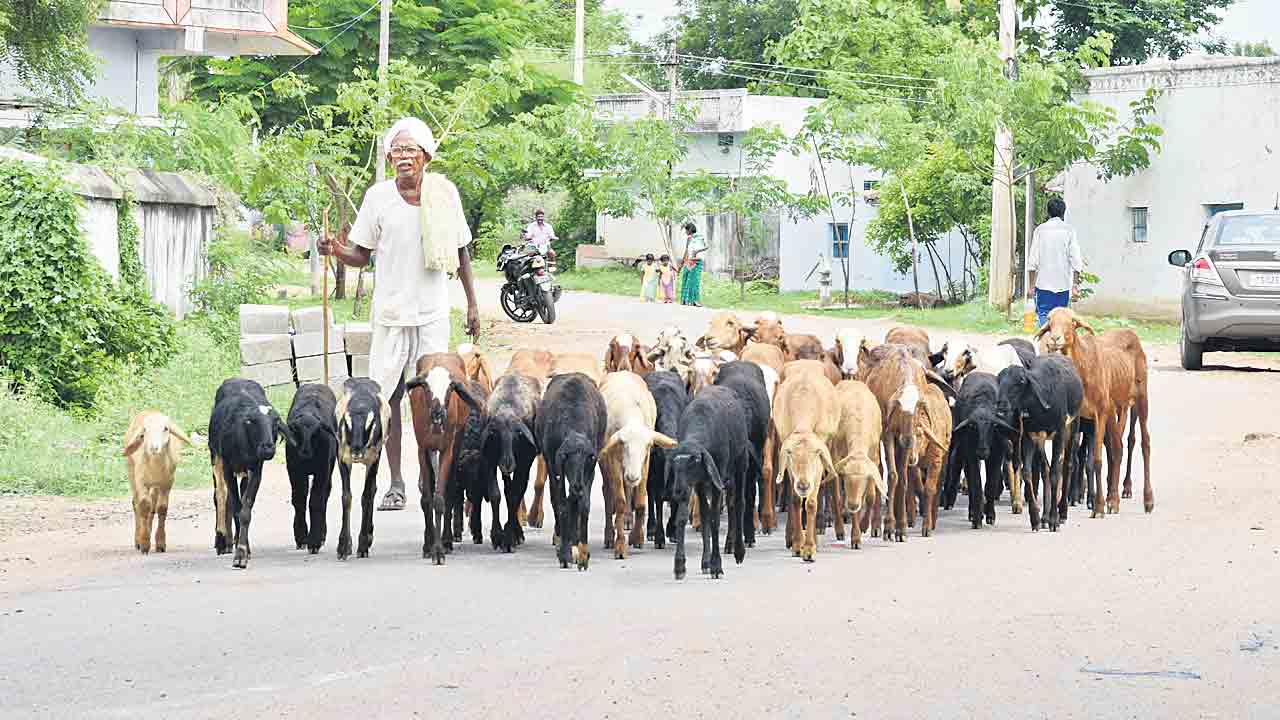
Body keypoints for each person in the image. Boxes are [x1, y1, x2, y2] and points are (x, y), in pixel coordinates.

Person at [319, 116, 480, 512]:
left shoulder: (444, 194)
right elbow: (360, 254)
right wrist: (334, 250)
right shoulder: (378, 198)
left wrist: (473, 304)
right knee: (386, 399)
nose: (403, 157)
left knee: (433, 395)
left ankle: (434, 477)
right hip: (390, 313)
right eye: (397, 150)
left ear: (426, 156)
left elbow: (461, 252)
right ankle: (395, 482)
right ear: (390, 157)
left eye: (411, 150)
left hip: (432, 312)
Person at [1026, 197, 1084, 328]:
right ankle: (1057, 345)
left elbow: (1032, 261)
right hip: (1063, 285)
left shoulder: (1040, 230)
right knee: (1060, 318)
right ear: (1063, 212)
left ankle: (1045, 344)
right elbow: (1076, 260)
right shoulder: (1069, 231)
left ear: (1048, 212)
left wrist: (1031, 286)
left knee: (1044, 315)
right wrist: (1075, 285)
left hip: (1043, 285)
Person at [678, 221, 707, 307]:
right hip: (690, 261)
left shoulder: (698, 238)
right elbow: (687, 250)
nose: (685, 232)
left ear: (690, 230)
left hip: (696, 261)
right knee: (688, 280)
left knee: (694, 281)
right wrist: (682, 262)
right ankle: (686, 300)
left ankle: (693, 300)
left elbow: (706, 246)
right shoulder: (691, 238)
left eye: (686, 230)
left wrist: (697, 251)